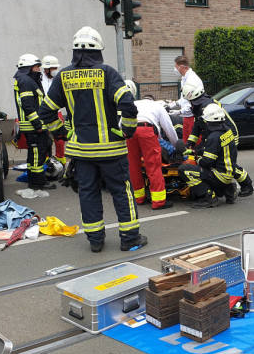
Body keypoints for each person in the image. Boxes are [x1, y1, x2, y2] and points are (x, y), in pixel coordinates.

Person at [38, 26, 147, 253]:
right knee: (121, 191)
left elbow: (46, 111)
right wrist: (126, 130)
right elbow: (127, 104)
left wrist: (63, 134)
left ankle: (95, 240)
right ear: (98, 51)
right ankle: (129, 238)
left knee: (88, 193)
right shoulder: (107, 73)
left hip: (81, 152)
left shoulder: (64, 76)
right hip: (111, 151)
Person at [182, 77, 254, 197]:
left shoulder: (206, 106)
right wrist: (190, 142)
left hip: (228, 134)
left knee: (228, 164)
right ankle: (226, 187)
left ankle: (247, 185)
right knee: (220, 162)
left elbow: (205, 126)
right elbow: (198, 125)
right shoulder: (200, 106)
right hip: (217, 134)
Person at [123, 79, 178, 210]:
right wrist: (175, 145)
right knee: (153, 165)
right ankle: (158, 201)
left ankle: (139, 198)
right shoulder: (157, 106)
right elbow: (168, 128)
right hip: (147, 131)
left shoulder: (133, 104)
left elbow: (121, 123)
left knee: (133, 165)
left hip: (129, 131)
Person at [179, 103, 239, 208]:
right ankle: (228, 189)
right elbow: (215, 151)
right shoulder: (226, 131)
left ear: (208, 121)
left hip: (220, 175)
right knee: (204, 170)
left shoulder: (213, 137)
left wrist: (196, 160)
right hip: (228, 173)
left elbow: (207, 162)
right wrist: (195, 152)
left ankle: (208, 197)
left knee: (185, 169)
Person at [13, 53, 53, 191]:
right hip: (33, 127)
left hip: (32, 126)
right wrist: (38, 125)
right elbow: (28, 105)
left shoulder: (26, 79)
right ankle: (37, 183)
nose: (38, 70)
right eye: (36, 67)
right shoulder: (26, 81)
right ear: (29, 67)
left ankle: (34, 179)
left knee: (34, 154)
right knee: (37, 154)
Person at [41, 55, 66, 163]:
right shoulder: (39, 79)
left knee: (60, 138)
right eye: (53, 68)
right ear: (46, 69)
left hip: (57, 112)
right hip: (44, 112)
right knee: (45, 138)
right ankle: (46, 160)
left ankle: (60, 159)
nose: (55, 71)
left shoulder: (59, 78)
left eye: (56, 68)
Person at [173, 56, 200, 143]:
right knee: (186, 143)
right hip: (187, 116)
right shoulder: (184, 78)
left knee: (194, 143)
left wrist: (179, 112)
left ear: (182, 67)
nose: (175, 69)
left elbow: (192, 101)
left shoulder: (192, 79)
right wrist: (172, 104)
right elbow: (184, 98)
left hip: (193, 116)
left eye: (176, 67)